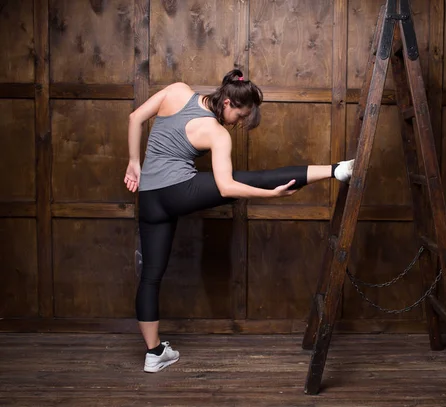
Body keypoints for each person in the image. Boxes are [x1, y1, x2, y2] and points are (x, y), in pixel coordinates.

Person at [124, 69, 354, 373]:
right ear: (229, 103)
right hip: (180, 191)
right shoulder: (216, 133)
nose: (240, 123)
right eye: (241, 116)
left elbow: (134, 118)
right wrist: (271, 195)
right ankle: (336, 169)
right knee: (250, 179)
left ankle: (154, 354)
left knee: (151, 276)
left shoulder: (177, 90)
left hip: (150, 198)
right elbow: (226, 188)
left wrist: (134, 162)